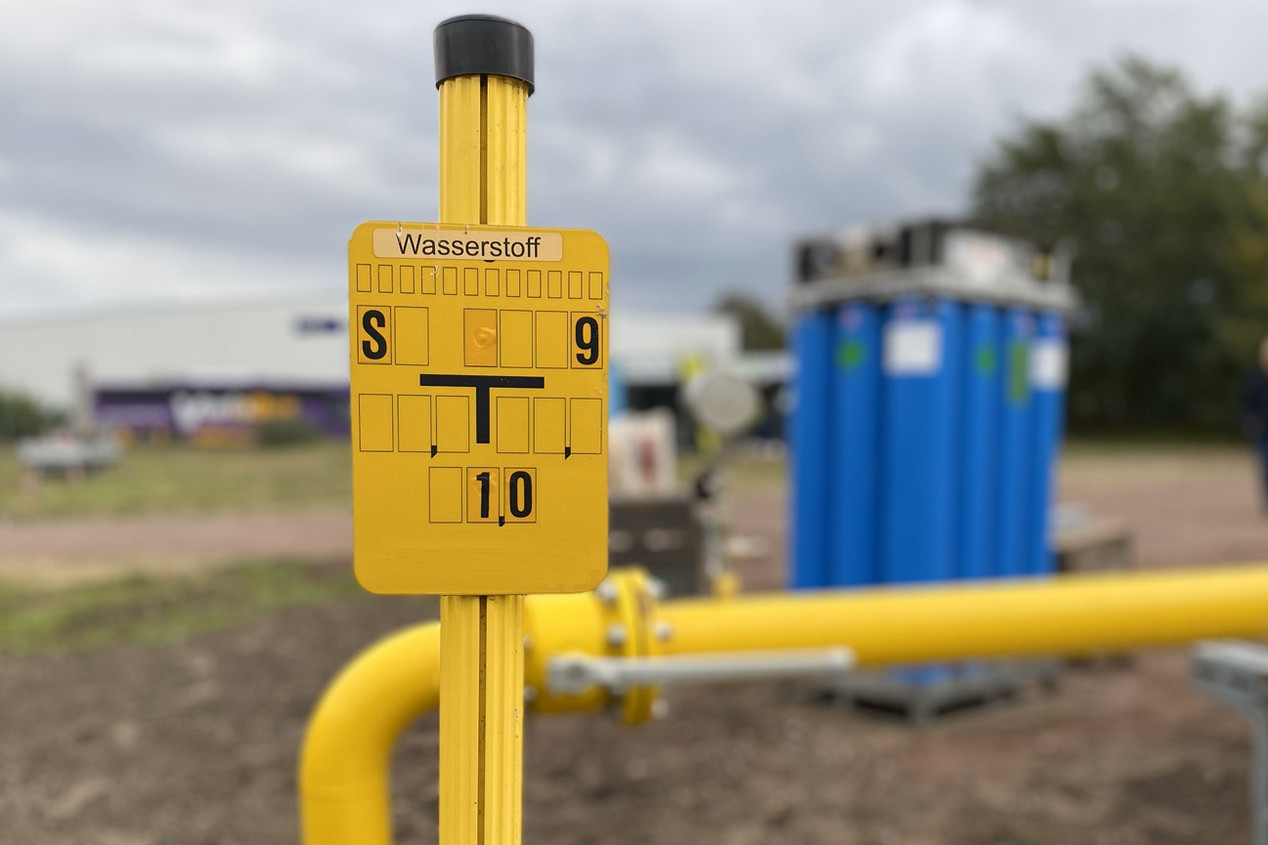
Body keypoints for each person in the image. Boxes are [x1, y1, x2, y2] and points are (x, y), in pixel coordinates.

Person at [1243, 336, 1268, 512]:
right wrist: (1250, 421)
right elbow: (1245, 404)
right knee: (1266, 463)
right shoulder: (1255, 379)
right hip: (1263, 431)